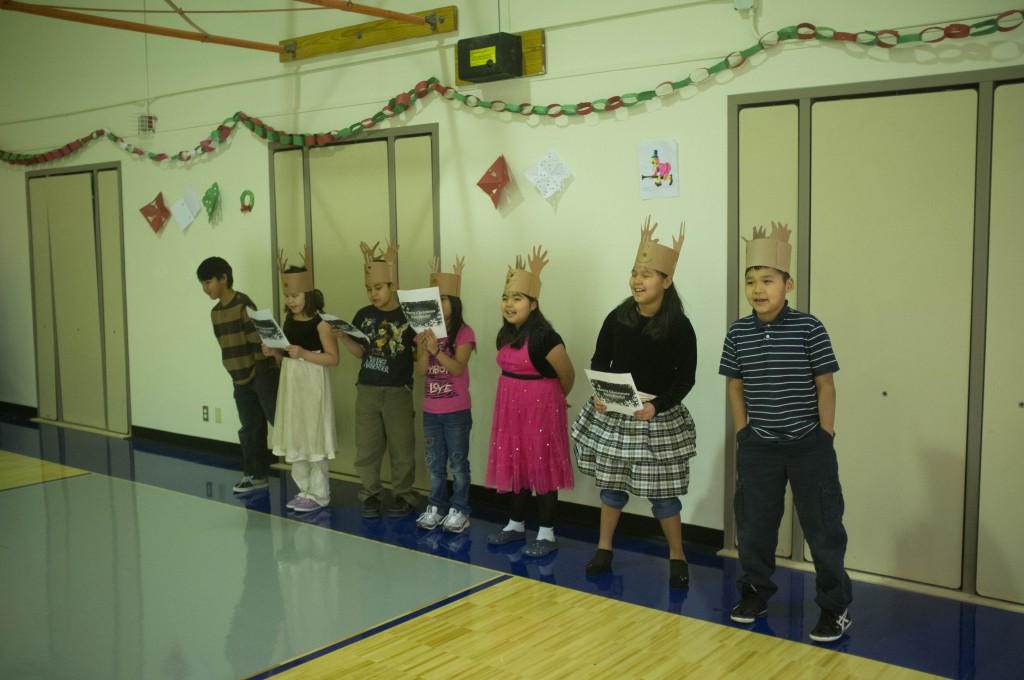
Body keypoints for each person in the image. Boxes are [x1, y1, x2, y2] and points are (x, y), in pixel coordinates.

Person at [719, 221, 852, 643]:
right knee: (755, 525)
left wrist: (824, 435)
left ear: (787, 284)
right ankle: (755, 591)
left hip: (809, 446)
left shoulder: (809, 327)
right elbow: (735, 385)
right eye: (751, 281)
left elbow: (825, 383)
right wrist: (744, 433)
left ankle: (834, 608)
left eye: (768, 280)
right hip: (760, 446)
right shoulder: (738, 332)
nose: (758, 289)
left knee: (824, 529)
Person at [571, 218, 697, 589]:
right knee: (611, 488)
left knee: (663, 494)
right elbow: (599, 361)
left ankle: (677, 556)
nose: (638, 281)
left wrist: (657, 407)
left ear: (667, 281)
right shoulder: (618, 316)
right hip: (617, 411)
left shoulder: (679, 326)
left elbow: (685, 379)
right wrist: (601, 394)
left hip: (656, 414)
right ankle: (604, 547)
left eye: (647, 274)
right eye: (634, 273)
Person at [485, 246, 575, 558]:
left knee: (543, 469)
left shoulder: (546, 337)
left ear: (533, 304)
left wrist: (550, 402)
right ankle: (516, 525)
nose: (509, 304)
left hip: (541, 411)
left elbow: (567, 374)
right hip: (510, 411)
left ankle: (547, 533)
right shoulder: (504, 334)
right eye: (506, 297)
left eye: (517, 298)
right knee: (516, 465)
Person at [335, 240, 418, 519]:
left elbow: (418, 357)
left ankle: (404, 495)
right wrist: (344, 337)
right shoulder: (363, 315)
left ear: (393, 286)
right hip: (367, 389)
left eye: (378, 288)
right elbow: (361, 352)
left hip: (397, 391)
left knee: (401, 447)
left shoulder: (408, 315)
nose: (373, 293)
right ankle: (370, 494)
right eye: (369, 289)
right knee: (367, 448)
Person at [262, 250, 339, 513]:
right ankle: (304, 488)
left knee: (313, 433)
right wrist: (275, 352)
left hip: (312, 384)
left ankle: (320, 492)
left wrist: (305, 354)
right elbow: (287, 356)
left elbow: (333, 359)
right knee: (297, 431)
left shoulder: (321, 323)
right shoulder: (289, 320)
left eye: (294, 295)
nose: (290, 301)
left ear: (308, 294)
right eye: (287, 296)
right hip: (292, 383)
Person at [197, 256, 279, 494]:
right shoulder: (215, 313)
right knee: (249, 426)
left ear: (224, 278)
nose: (205, 288)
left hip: (261, 373)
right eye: (202, 284)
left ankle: (304, 474)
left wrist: (259, 373)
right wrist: (238, 375)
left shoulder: (243, 305)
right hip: (239, 378)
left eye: (208, 282)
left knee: (278, 420)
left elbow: (257, 341)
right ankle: (255, 474)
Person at [414, 256, 476, 534]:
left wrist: (438, 350)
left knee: (459, 463)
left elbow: (458, 368)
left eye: (445, 299)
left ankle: (460, 509)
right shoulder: (423, 333)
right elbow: (421, 370)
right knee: (435, 463)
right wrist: (426, 347)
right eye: (434, 300)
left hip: (456, 411)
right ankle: (436, 507)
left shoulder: (464, 333)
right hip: (431, 412)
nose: (439, 305)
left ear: (456, 303)